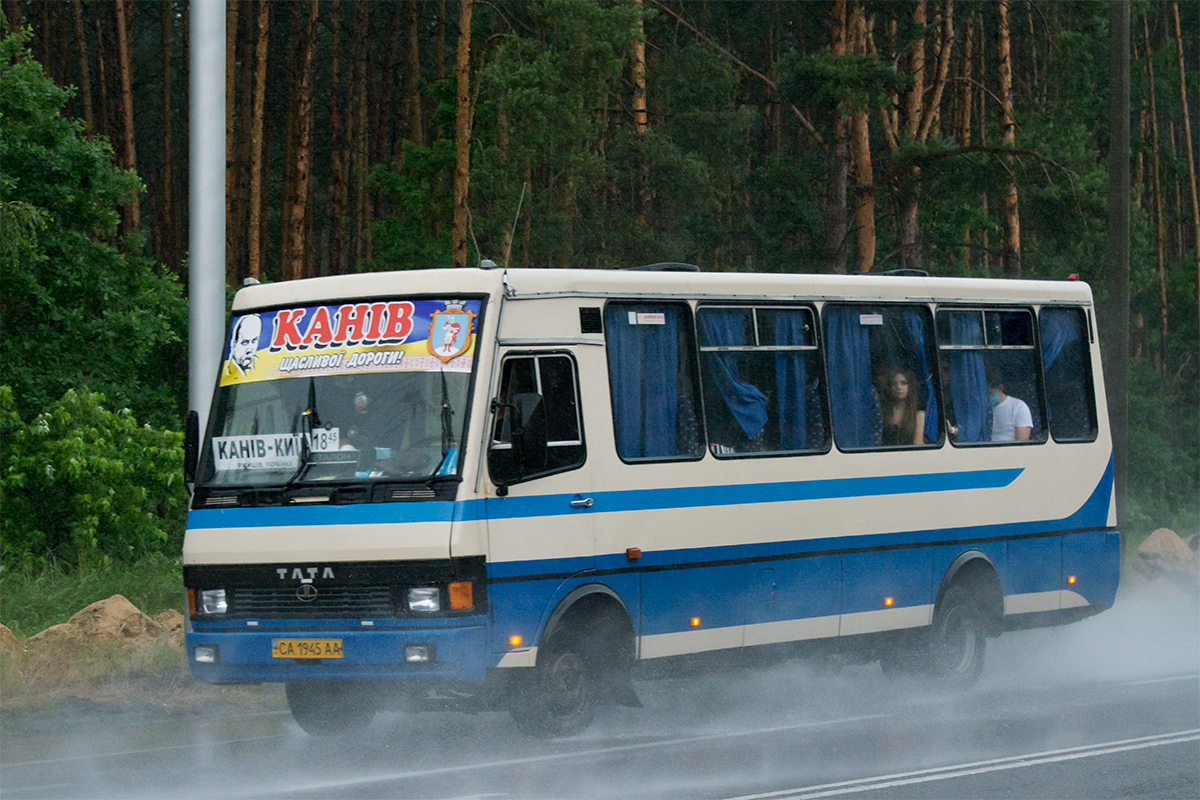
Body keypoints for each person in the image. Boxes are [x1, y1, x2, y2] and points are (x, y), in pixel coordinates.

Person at [986, 367, 1032, 442]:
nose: (988, 397)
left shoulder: (1019, 407)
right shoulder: (983, 409)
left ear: (1000, 388)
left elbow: (1022, 442)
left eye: (991, 393)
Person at [882, 368, 926, 446]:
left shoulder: (918, 414)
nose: (898, 387)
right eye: (894, 384)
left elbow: (918, 443)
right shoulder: (884, 411)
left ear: (910, 386)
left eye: (903, 383)